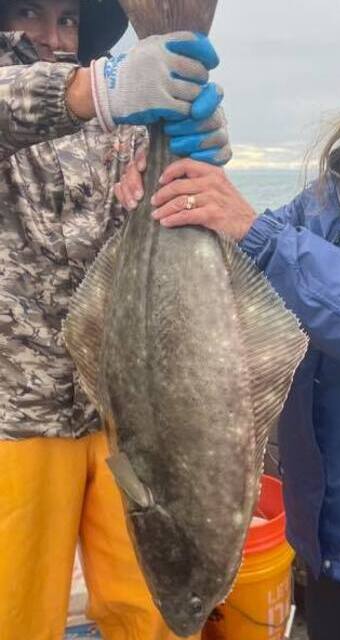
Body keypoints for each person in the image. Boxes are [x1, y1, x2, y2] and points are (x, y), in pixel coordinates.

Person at [118, 0, 340, 638]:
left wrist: (251, 229)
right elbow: (236, 252)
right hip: (329, 541)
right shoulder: (330, 199)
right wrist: (178, 178)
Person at [0, 1, 231, 639]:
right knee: (12, 611)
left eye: (68, 21)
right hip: (16, 416)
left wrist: (195, 134)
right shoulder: (83, 92)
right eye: (29, 14)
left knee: (147, 607)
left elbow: (155, 197)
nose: (52, 35)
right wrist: (93, 89)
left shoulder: (116, 118)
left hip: (123, 408)